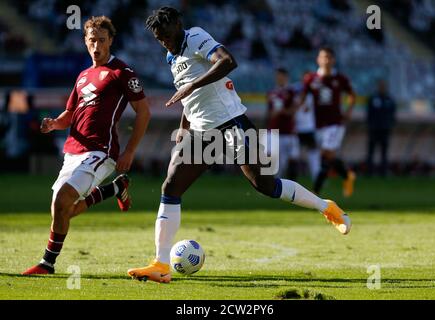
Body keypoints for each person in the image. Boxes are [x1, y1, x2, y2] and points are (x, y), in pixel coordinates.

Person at [127, 7, 351, 284]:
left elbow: (228, 62)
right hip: (202, 133)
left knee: (266, 186)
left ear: (178, 25)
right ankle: (160, 264)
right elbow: (190, 97)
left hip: (232, 123)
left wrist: (191, 87)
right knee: (170, 187)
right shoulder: (172, 56)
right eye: (160, 39)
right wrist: (184, 129)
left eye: (167, 35)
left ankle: (326, 207)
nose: (165, 42)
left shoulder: (195, 37)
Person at [22, 16, 151, 275]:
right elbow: (70, 114)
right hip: (73, 151)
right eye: (92, 40)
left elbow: (144, 112)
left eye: (102, 40)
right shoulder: (82, 76)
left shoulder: (122, 72)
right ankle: (114, 189)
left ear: (111, 41)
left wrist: (130, 151)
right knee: (62, 210)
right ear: (85, 41)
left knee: (63, 199)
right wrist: (54, 124)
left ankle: (47, 264)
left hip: (101, 151)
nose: (96, 46)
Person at [297, 47, 356, 197]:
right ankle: (347, 175)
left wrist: (348, 111)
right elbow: (303, 95)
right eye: (324, 57)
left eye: (329, 57)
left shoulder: (340, 79)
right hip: (319, 124)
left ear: (333, 60)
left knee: (325, 153)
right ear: (318, 59)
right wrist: (300, 107)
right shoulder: (311, 78)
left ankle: (315, 190)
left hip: (335, 123)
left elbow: (351, 95)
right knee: (326, 157)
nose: (326, 60)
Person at [265, 67, 298, 177]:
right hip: (272, 129)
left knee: (281, 162)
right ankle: (266, 183)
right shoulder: (271, 92)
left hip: (286, 130)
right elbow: (269, 112)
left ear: (286, 77)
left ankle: (275, 185)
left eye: (281, 76)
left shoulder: (291, 92)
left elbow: (294, 110)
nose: (279, 78)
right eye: (277, 76)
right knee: (268, 156)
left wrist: (281, 112)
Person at [366, 80, 396, 176]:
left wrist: (390, 124)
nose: (382, 88)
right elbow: (369, 113)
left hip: (385, 129)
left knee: (384, 152)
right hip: (374, 129)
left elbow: (393, 114)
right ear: (378, 87)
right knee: (371, 151)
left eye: (384, 86)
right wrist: (370, 124)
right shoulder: (373, 98)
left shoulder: (390, 99)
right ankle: (369, 172)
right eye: (381, 86)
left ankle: (383, 172)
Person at [294, 73, 320, 181]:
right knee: (294, 154)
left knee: (313, 154)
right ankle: (292, 178)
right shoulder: (295, 92)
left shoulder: (313, 95)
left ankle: (316, 177)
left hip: (309, 127)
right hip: (297, 128)